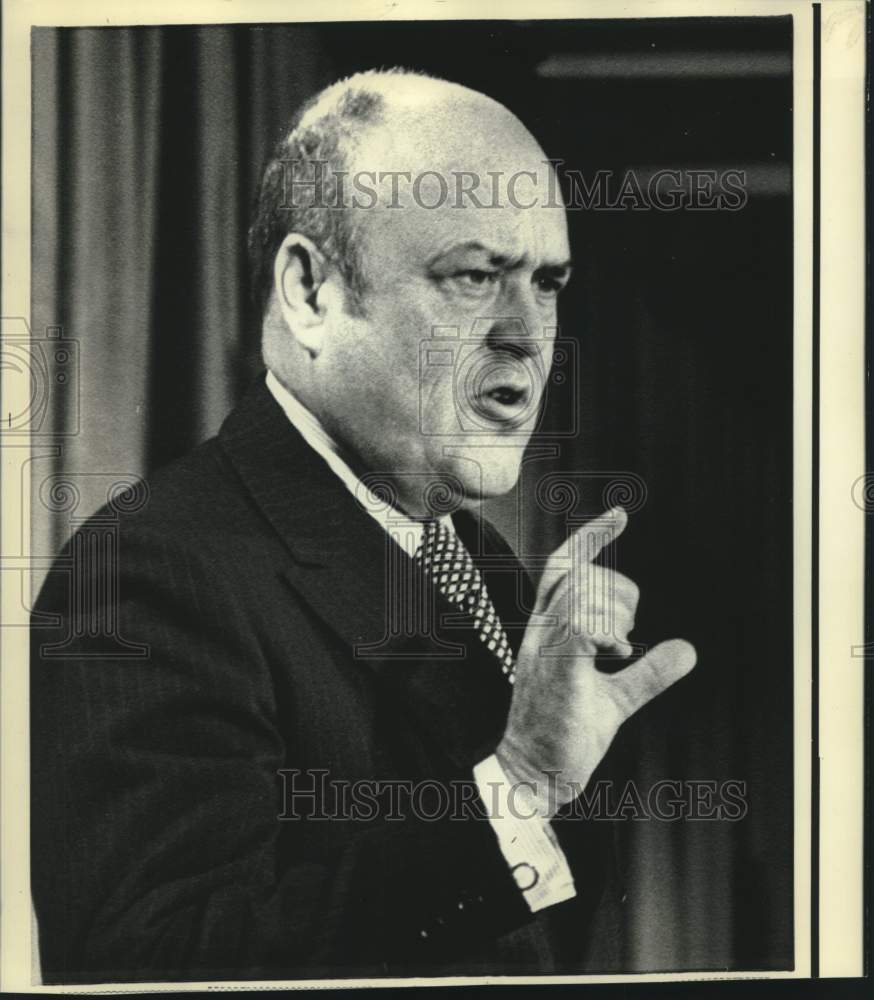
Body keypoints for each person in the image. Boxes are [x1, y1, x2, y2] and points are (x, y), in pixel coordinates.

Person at [30, 69, 696, 983]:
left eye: (547, 283)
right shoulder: (145, 570)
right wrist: (523, 783)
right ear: (310, 291)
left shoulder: (489, 571)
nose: (529, 337)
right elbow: (149, 963)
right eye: (473, 277)